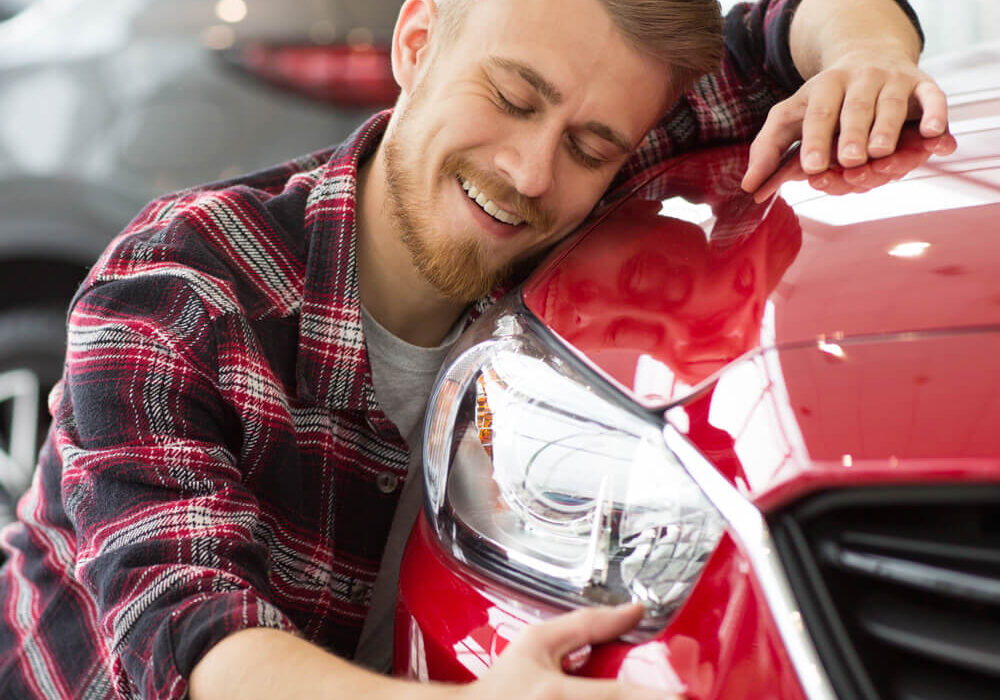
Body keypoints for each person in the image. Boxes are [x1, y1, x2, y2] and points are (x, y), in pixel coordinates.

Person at [0, 0, 949, 698]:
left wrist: (867, 61)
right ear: (415, 45)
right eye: (509, 97)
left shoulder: (590, 165)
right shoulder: (178, 288)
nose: (530, 172)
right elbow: (195, 645)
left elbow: (788, 27)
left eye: (589, 148)